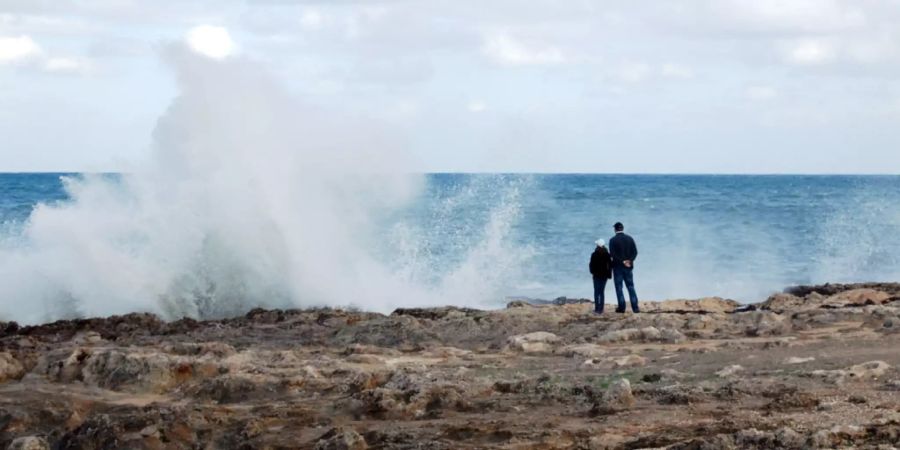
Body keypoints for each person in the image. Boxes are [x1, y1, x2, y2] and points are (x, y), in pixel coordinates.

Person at [609, 222, 639, 313]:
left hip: (618, 267)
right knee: (630, 286)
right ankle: (635, 308)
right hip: (628, 266)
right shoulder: (630, 238)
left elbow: (612, 254)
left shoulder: (613, 240)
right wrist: (629, 260)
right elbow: (635, 252)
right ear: (623, 228)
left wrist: (622, 261)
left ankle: (622, 308)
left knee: (619, 287)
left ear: (615, 229)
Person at [588, 239, 612, 314]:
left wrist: (592, 272)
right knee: (602, 292)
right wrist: (609, 275)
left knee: (596, 292)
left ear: (597, 245)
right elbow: (610, 265)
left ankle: (597, 309)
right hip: (604, 276)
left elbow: (591, 265)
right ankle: (601, 309)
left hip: (596, 275)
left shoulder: (594, 254)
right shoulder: (607, 254)